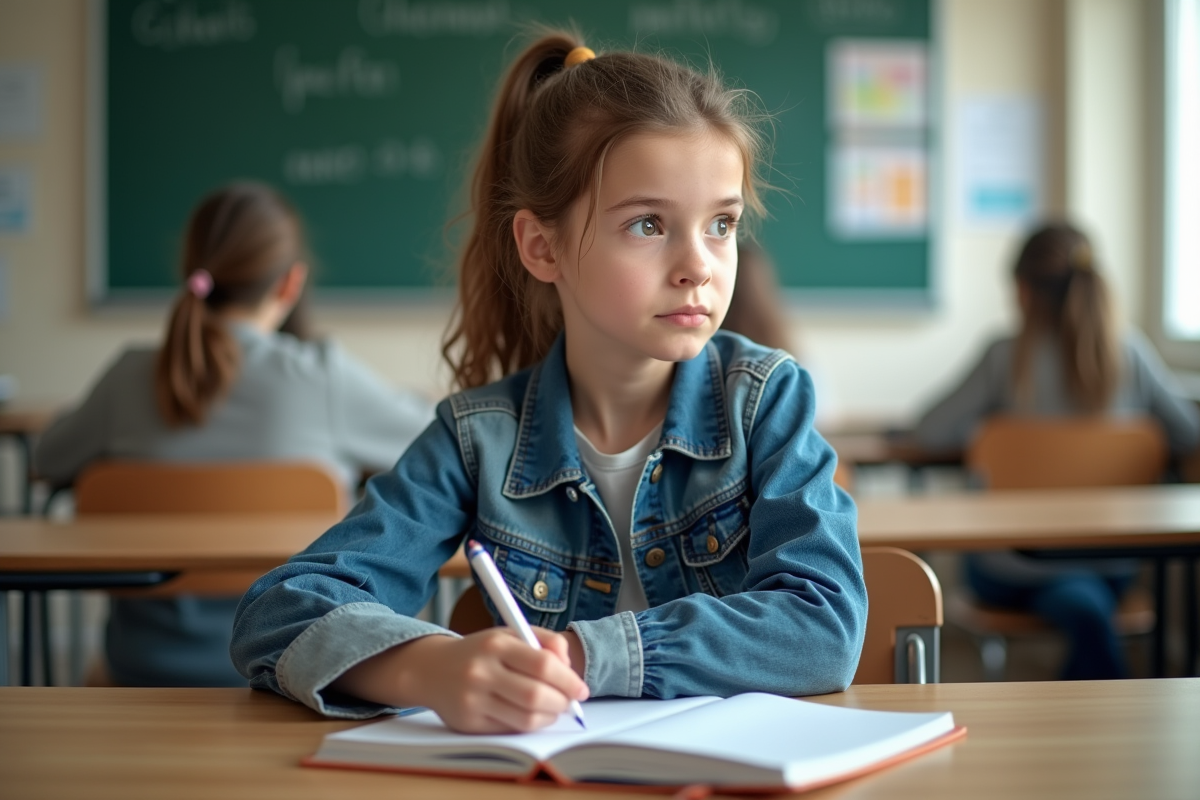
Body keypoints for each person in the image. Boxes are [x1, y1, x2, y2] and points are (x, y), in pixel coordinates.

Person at [231, 32, 866, 733]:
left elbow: (824, 624)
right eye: (649, 224)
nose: (699, 266)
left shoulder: (765, 400)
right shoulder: (478, 440)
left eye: (721, 224)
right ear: (542, 246)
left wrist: (580, 656)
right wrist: (426, 668)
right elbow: (278, 610)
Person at [34, 182, 433, 687]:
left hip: (142, 667)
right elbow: (439, 447)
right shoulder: (320, 377)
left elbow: (47, 458)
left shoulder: (127, 376)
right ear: (290, 283)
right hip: (294, 665)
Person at [914, 221, 1200, 680]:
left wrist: (985, 431)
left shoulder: (1005, 357)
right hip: (1114, 565)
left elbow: (928, 431)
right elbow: (1188, 435)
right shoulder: (1132, 355)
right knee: (1083, 597)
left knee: (1075, 598)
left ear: (1023, 290)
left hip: (1012, 566)